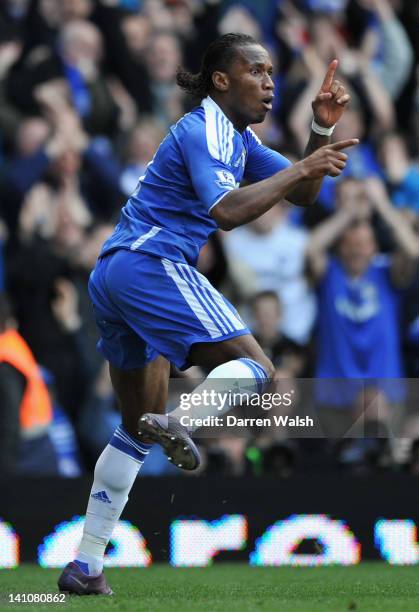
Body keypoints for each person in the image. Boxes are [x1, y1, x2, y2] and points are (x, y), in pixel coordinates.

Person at [57, 32, 357, 595]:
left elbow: (304, 197)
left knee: (131, 431)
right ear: (222, 80)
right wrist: (301, 166)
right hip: (152, 262)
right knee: (258, 370)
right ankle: (185, 422)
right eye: (257, 71)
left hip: (115, 273)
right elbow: (226, 211)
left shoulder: (237, 140)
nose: (270, 83)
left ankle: (86, 564)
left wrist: (319, 132)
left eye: (272, 73)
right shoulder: (205, 128)